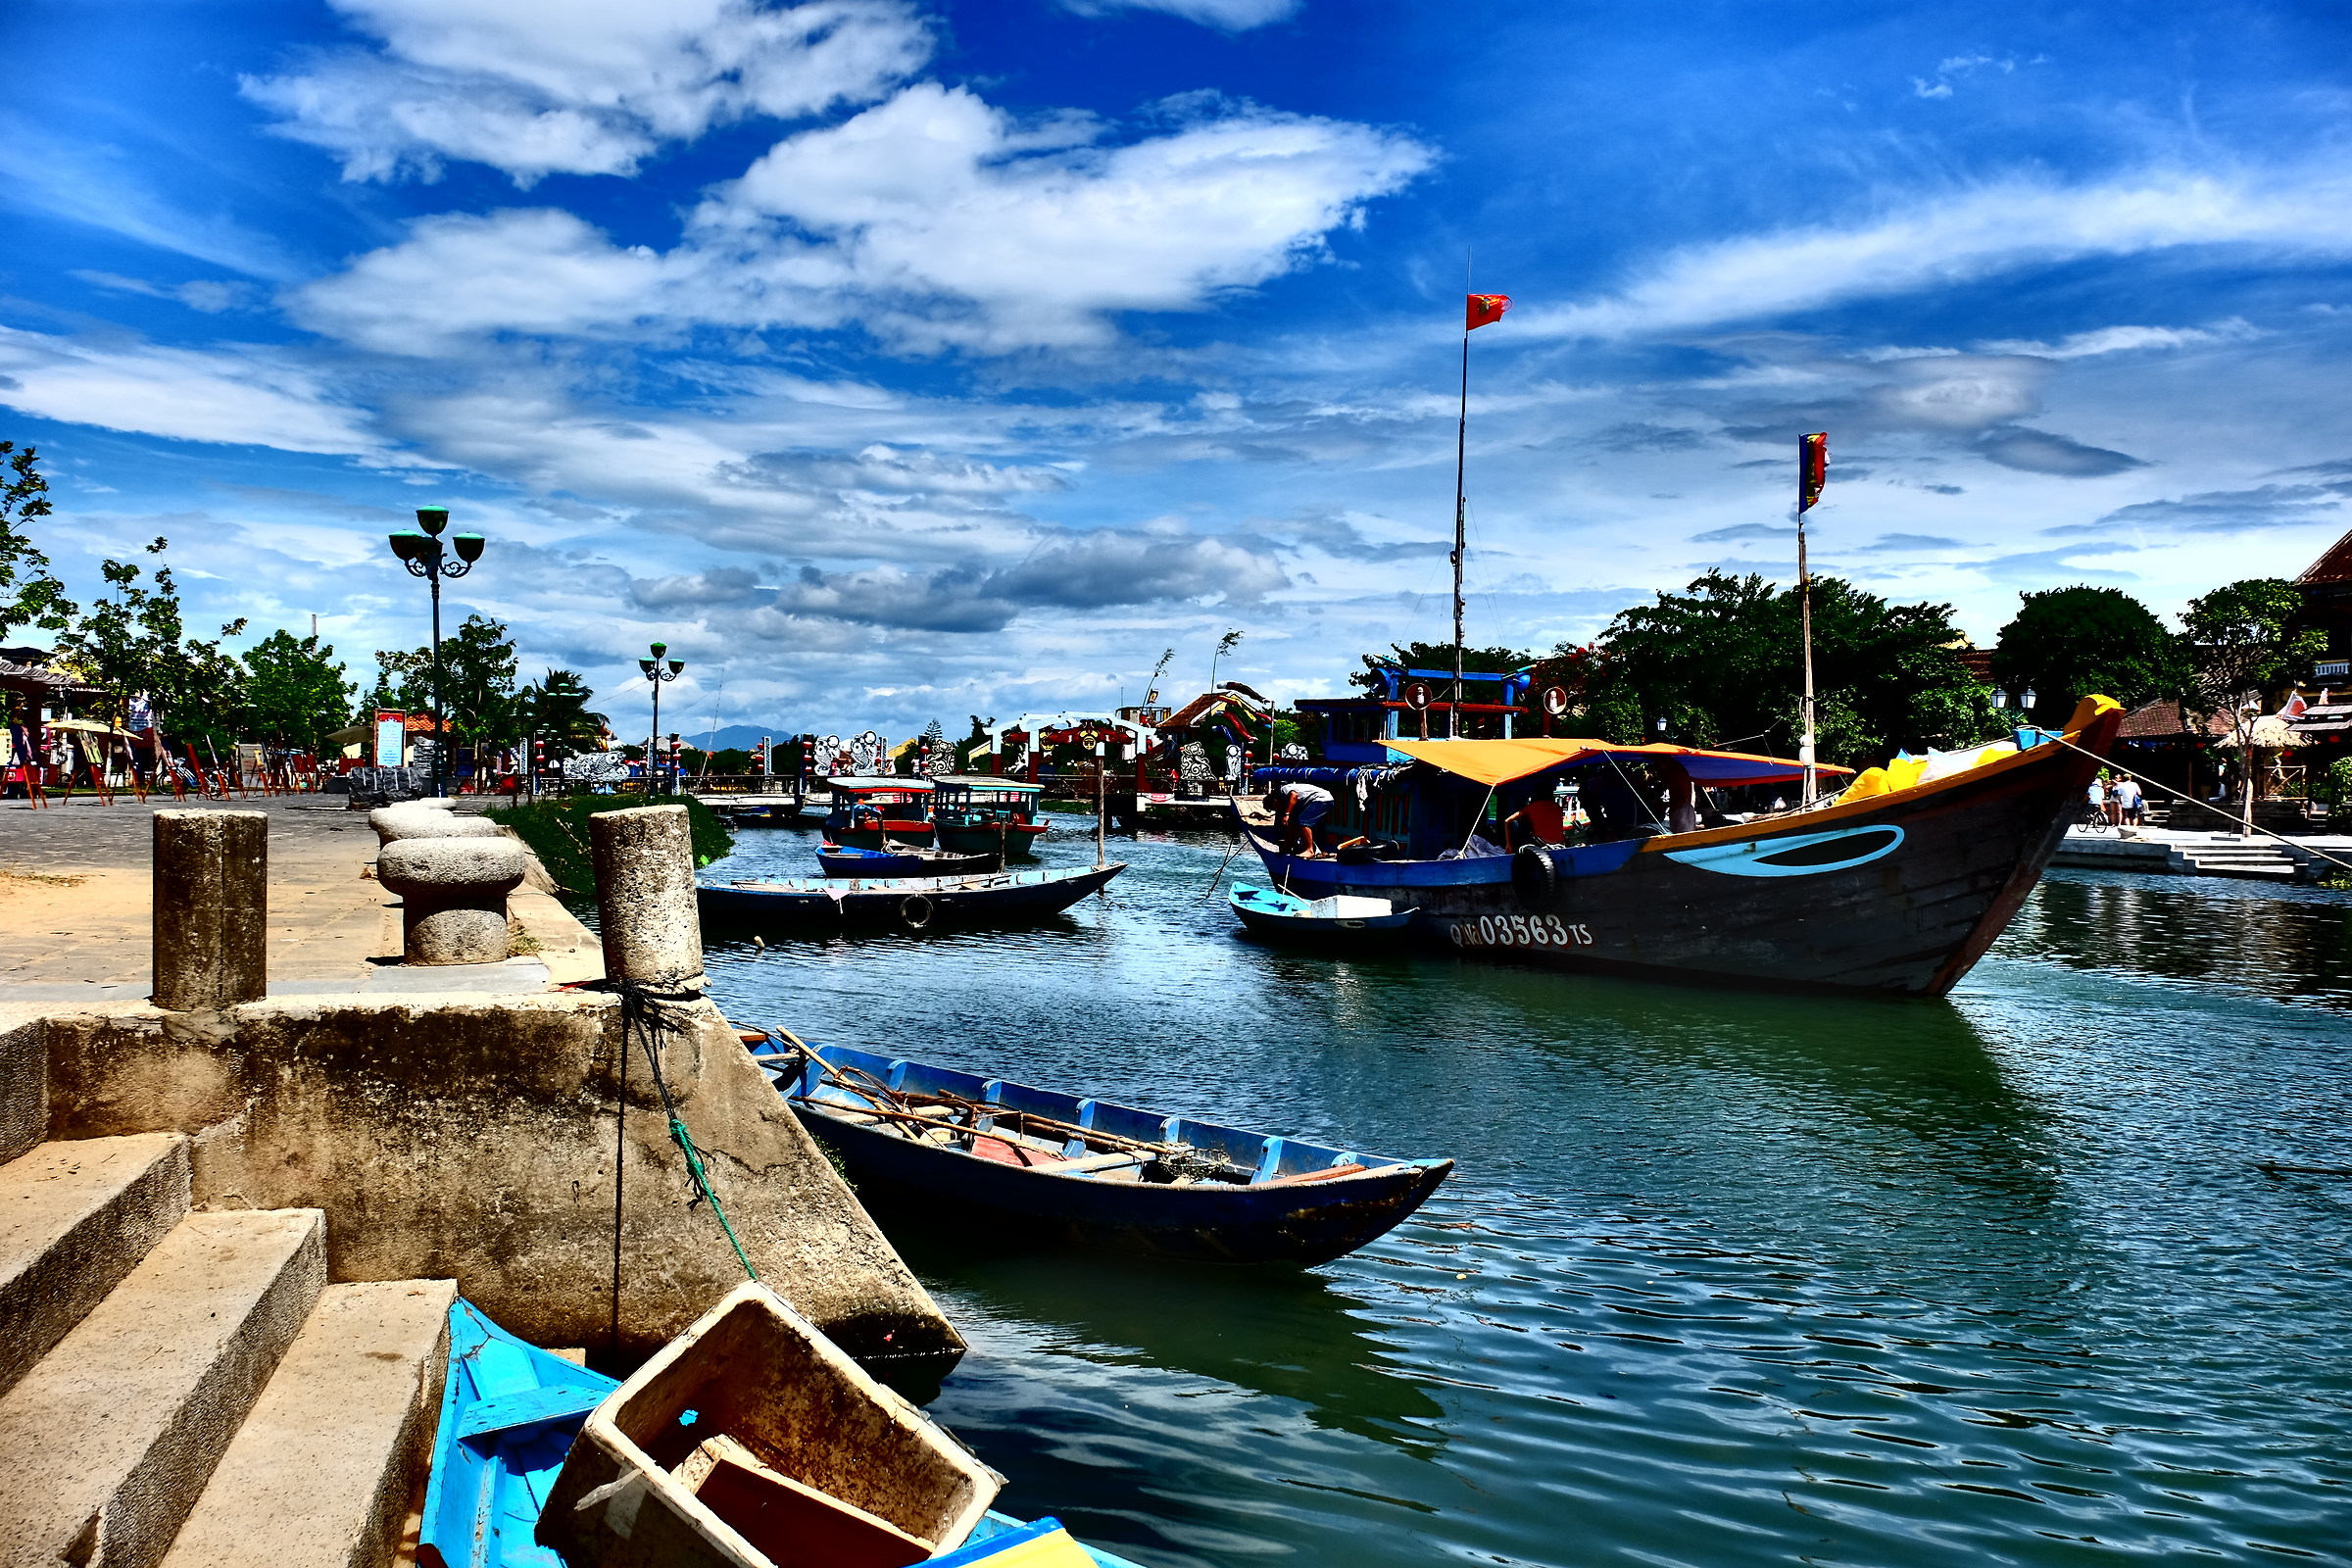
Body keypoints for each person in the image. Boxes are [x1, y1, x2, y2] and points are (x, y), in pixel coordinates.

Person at [1270, 779, 1335, 857]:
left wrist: (1287, 814)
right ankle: (1304, 848)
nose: (1277, 810)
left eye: (1274, 807)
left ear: (1275, 800)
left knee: (1303, 821)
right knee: (1297, 822)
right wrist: (1286, 847)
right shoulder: (1291, 804)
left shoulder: (1283, 790)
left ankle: (1309, 850)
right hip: (1320, 800)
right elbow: (1292, 828)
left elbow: (1294, 795)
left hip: (1322, 799)